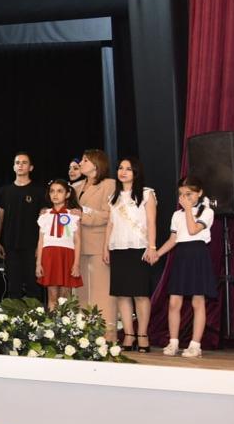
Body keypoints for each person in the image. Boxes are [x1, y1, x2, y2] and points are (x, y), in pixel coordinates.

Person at [155, 176, 216, 358]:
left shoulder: (207, 212)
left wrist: (189, 210)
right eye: (181, 194)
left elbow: (193, 230)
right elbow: (173, 239)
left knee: (198, 301)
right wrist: (157, 253)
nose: (184, 198)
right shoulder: (177, 215)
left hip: (197, 255)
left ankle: (195, 345)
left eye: (189, 194)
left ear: (199, 193)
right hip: (181, 256)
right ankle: (173, 342)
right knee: (174, 302)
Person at [104, 157, 156, 352]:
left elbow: (151, 222)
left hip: (139, 248)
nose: (123, 172)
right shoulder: (113, 197)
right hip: (118, 248)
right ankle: (128, 335)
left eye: (128, 169)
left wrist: (152, 247)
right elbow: (110, 224)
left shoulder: (147, 194)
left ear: (136, 172)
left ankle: (142, 334)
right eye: (120, 168)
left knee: (141, 294)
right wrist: (105, 247)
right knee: (122, 294)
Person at [75, 149, 117, 340]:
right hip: (78, 245)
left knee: (102, 290)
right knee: (81, 291)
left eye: (85, 160)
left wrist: (84, 215)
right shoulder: (75, 187)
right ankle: (83, 332)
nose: (81, 163)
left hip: (99, 243)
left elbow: (109, 214)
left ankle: (107, 332)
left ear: (96, 164)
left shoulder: (109, 185)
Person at [0, 152, 45, 301]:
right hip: (10, 245)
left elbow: (44, 222)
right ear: (13, 167)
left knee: (33, 285)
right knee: (13, 286)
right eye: (17, 163)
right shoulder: (5, 191)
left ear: (31, 167)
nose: (20, 165)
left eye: (24, 162)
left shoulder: (39, 191)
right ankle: (13, 315)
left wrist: (40, 246)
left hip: (32, 245)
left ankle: (34, 316)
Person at [35, 180, 82, 309]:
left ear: (67, 194)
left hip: (67, 255)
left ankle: (65, 321)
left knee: (65, 295)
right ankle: (52, 321)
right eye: (52, 191)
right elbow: (41, 241)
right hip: (49, 256)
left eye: (60, 191)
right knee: (52, 295)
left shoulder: (73, 215)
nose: (55, 194)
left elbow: (77, 241)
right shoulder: (45, 215)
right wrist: (38, 263)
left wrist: (76, 264)